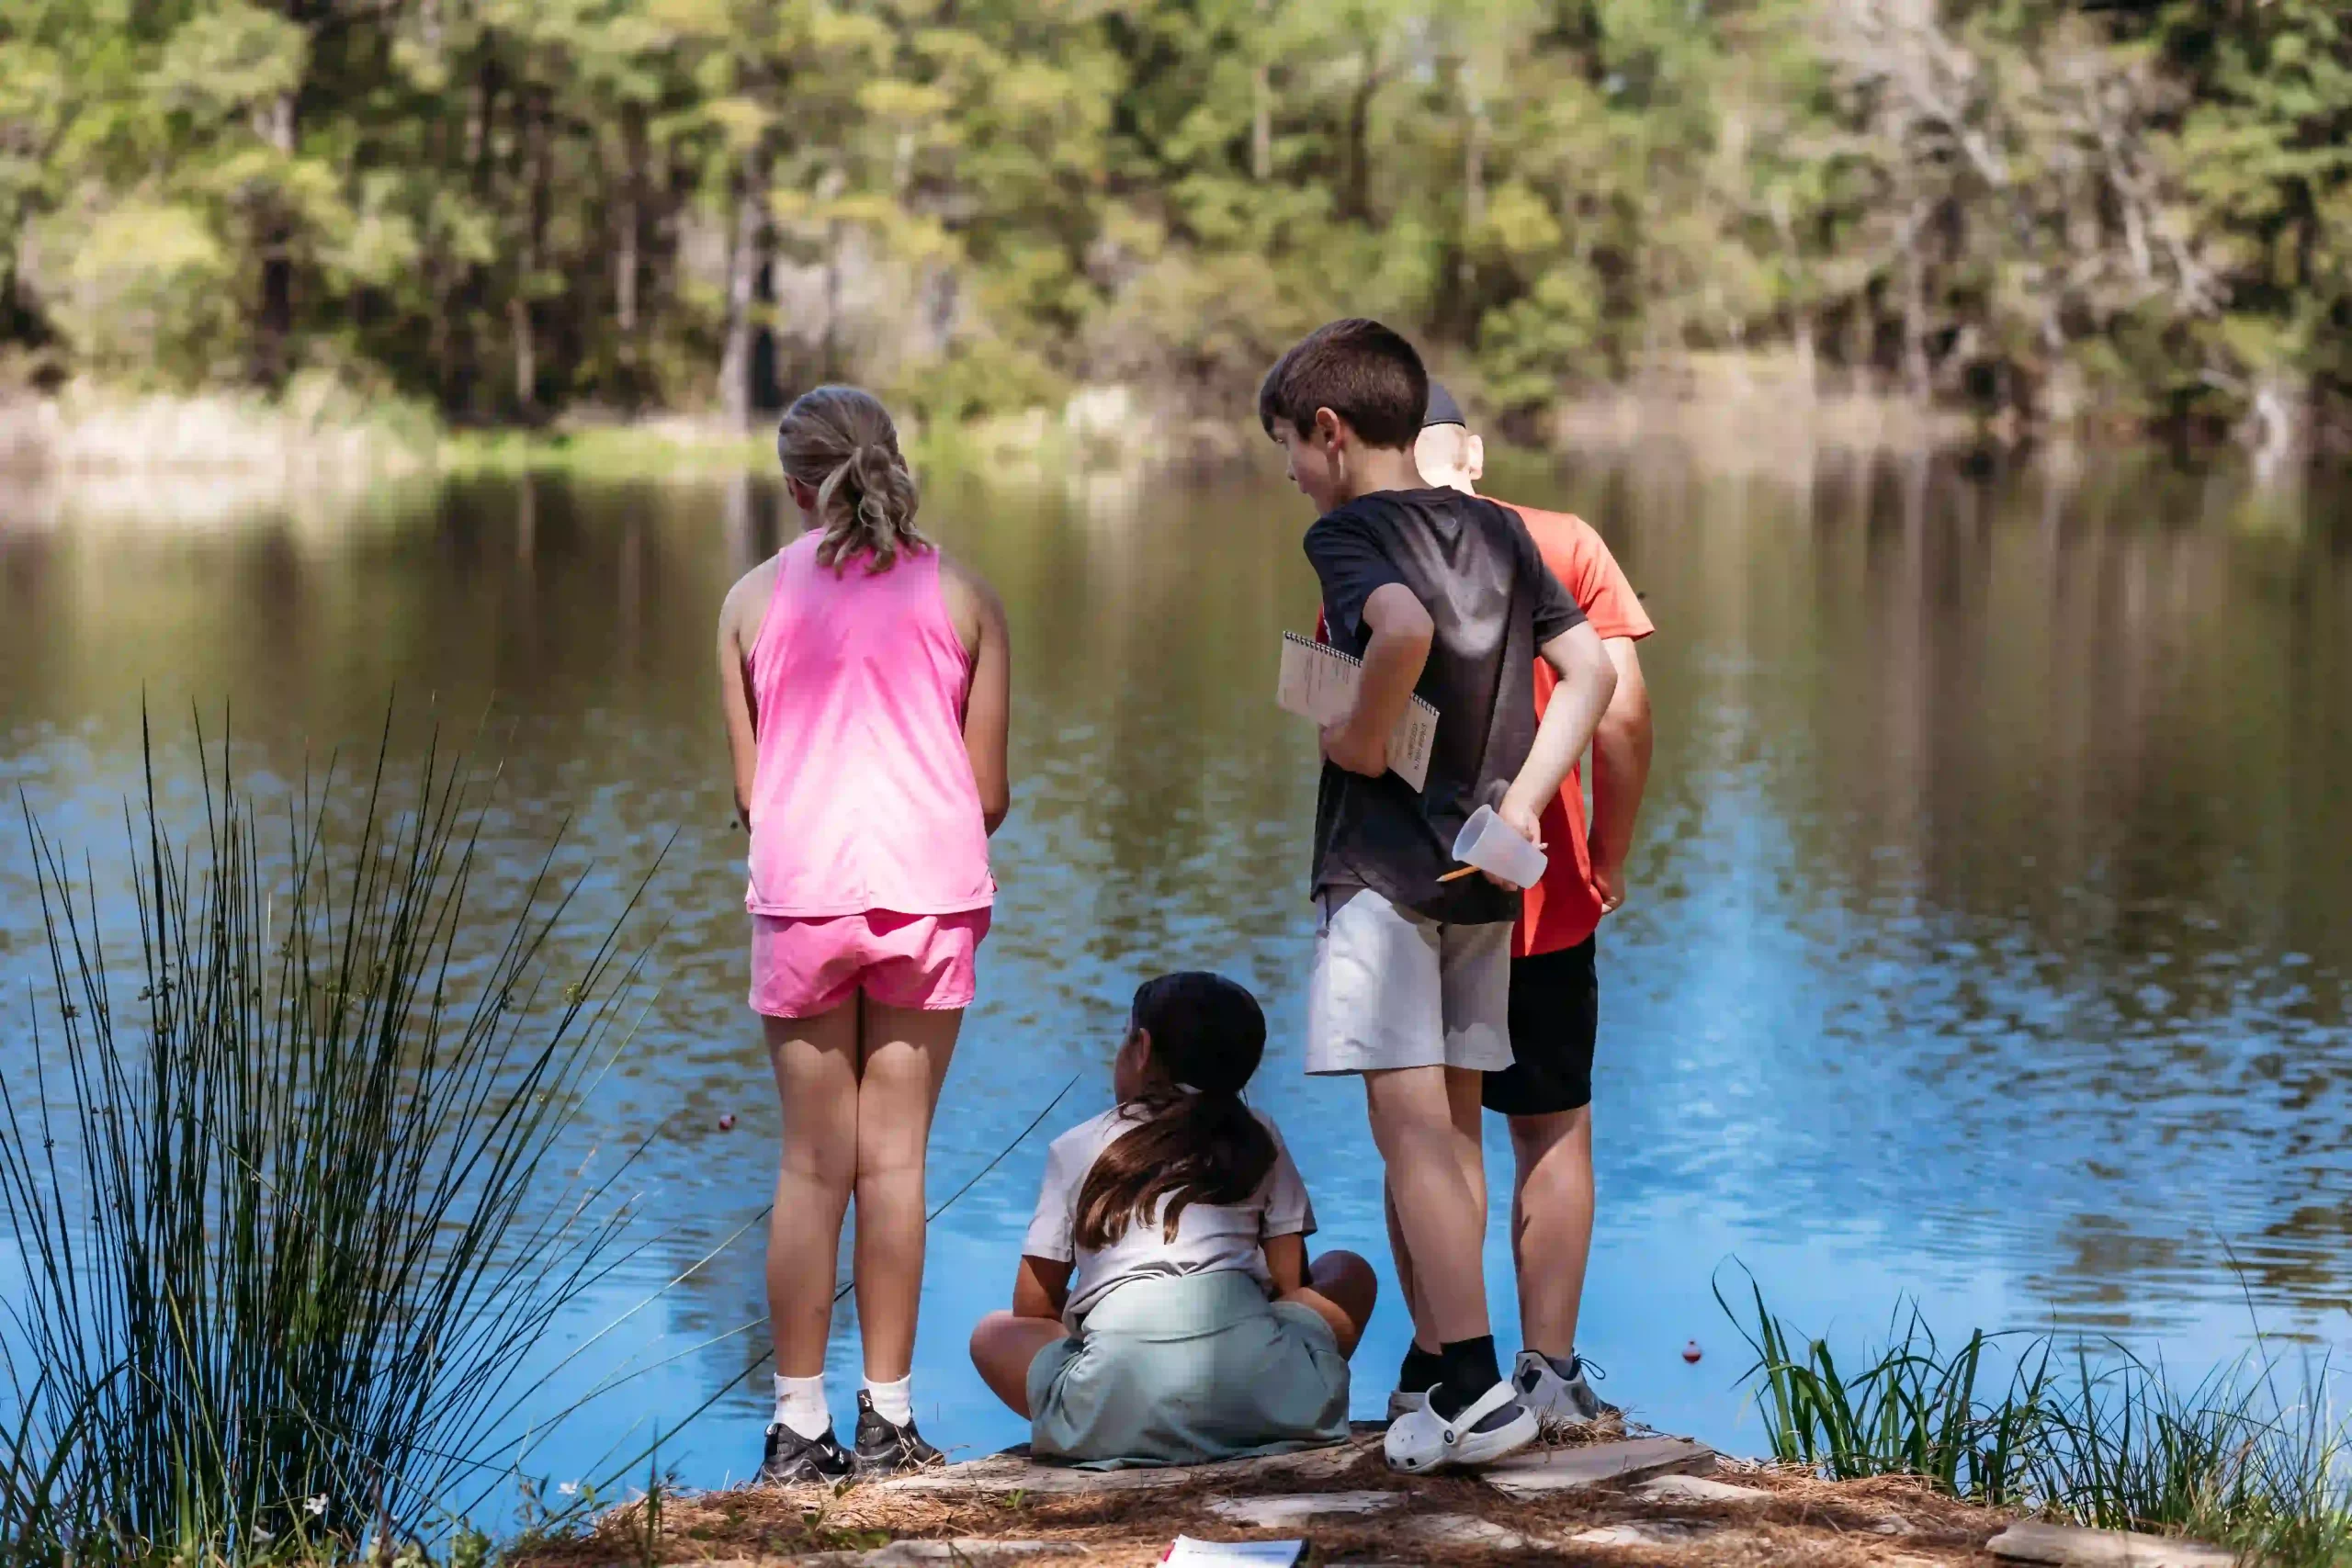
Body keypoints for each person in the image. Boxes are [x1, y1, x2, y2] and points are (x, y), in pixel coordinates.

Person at [1259, 320, 1618, 1472]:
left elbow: (1400, 628)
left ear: (1330, 431)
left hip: (1382, 874)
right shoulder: (1501, 527)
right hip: (1483, 876)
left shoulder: (1350, 529)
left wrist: (1361, 738)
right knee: (1456, 1125)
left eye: (1290, 449)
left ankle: (1469, 1380)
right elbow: (1595, 674)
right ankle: (1445, 1379)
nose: (1292, 476)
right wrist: (1527, 802)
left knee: (1410, 1127)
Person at [716, 384, 1013, 1483]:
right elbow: (985, 794)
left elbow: (751, 795)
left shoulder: (748, 601)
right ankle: (888, 1420)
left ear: (795, 488)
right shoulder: (965, 596)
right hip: (928, 897)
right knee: (894, 1165)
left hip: (801, 899)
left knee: (809, 1170)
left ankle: (798, 1429)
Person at [1382, 382, 1656, 1430]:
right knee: (1551, 1133)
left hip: (1420, 896)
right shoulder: (1567, 542)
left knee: (1428, 1136)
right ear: (1476, 454)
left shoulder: (1369, 552)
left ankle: (1444, 1368)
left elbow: (1352, 727)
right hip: (1547, 894)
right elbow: (1622, 715)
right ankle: (1547, 1370)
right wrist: (1608, 856)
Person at [968, 973, 1376, 1469]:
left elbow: (1031, 1305)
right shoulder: (1257, 1134)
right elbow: (1292, 1286)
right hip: (1271, 1398)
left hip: (1105, 1410)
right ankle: (1248, 1407)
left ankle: (1124, 1416)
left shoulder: (1076, 1145)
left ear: (1141, 1048)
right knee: (1350, 1270)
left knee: (991, 1332)